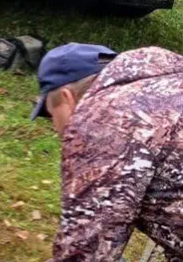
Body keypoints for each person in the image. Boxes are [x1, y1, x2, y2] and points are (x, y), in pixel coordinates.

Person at [30, 43, 183, 261]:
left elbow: (87, 251)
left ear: (66, 97)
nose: (55, 128)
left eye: (51, 114)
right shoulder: (167, 80)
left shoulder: (103, 121)